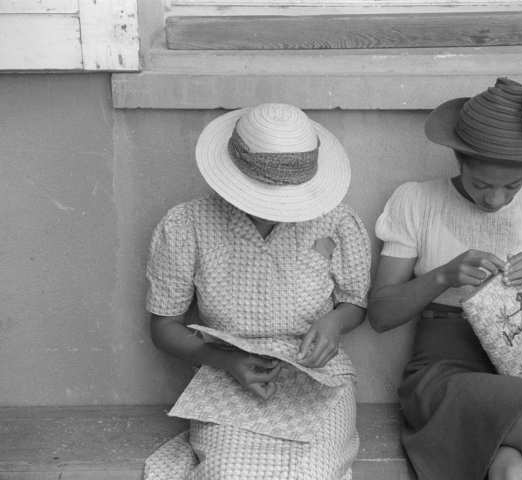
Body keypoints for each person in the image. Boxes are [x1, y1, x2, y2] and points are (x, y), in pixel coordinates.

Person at [369, 78, 522, 480]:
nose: (495, 199)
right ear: (458, 160)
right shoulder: (417, 202)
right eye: (481, 184)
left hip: (521, 372)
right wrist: (442, 276)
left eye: (512, 185)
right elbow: (381, 314)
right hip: (443, 375)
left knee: (512, 472)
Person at [143, 103, 371, 480]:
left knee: (310, 472)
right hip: (225, 373)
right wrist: (225, 361)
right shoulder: (187, 225)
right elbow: (164, 326)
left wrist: (334, 321)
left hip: (318, 377)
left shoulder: (336, 221)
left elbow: (354, 304)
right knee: (229, 473)